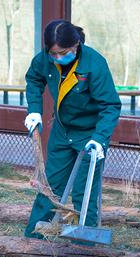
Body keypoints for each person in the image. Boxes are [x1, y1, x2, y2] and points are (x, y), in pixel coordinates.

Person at [23, 19, 122, 243]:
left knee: (83, 192)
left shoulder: (94, 64)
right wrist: (35, 110)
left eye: (63, 53)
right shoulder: (45, 59)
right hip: (62, 130)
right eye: (53, 54)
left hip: (90, 134)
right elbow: (33, 78)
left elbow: (111, 105)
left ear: (76, 44)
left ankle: (83, 247)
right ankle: (33, 241)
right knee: (49, 187)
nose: (57, 58)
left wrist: (100, 140)